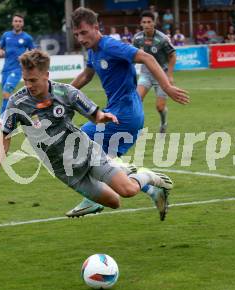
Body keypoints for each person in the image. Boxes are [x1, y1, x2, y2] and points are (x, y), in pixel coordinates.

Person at [0, 49, 173, 221]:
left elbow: (95, 114)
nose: (28, 85)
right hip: (65, 171)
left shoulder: (66, 93)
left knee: (128, 191)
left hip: (88, 154)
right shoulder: (17, 102)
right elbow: (5, 133)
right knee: (114, 202)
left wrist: (102, 117)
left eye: (33, 80)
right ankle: (121, 168)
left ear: (46, 75)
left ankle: (147, 176)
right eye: (25, 79)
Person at [64, 7, 189, 217]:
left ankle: (132, 180)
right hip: (119, 112)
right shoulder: (94, 51)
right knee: (99, 161)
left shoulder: (111, 46)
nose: (80, 38)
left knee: (76, 143)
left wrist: (167, 87)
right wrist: (63, 95)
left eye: (84, 33)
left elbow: (147, 58)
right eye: (76, 35)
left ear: (96, 27)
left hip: (124, 115)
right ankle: (151, 188)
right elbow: (86, 75)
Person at [133, 10, 177, 134]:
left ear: (154, 23)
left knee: (160, 107)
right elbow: (132, 55)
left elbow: (172, 56)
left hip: (161, 75)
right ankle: (137, 127)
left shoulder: (162, 39)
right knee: (136, 100)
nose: (146, 24)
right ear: (141, 23)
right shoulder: (137, 38)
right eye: (144, 22)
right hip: (145, 74)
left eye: (149, 22)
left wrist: (170, 75)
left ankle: (163, 123)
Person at [0, 13, 34, 129]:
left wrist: (26, 57)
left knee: (6, 93)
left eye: (20, 21)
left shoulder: (27, 38)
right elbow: (0, 47)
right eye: (16, 21)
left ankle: (1, 120)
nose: (18, 23)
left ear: (23, 23)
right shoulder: (6, 35)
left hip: (17, 69)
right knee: (7, 96)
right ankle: (23, 116)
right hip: (6, 69)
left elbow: (34, 52)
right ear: (12, 23)